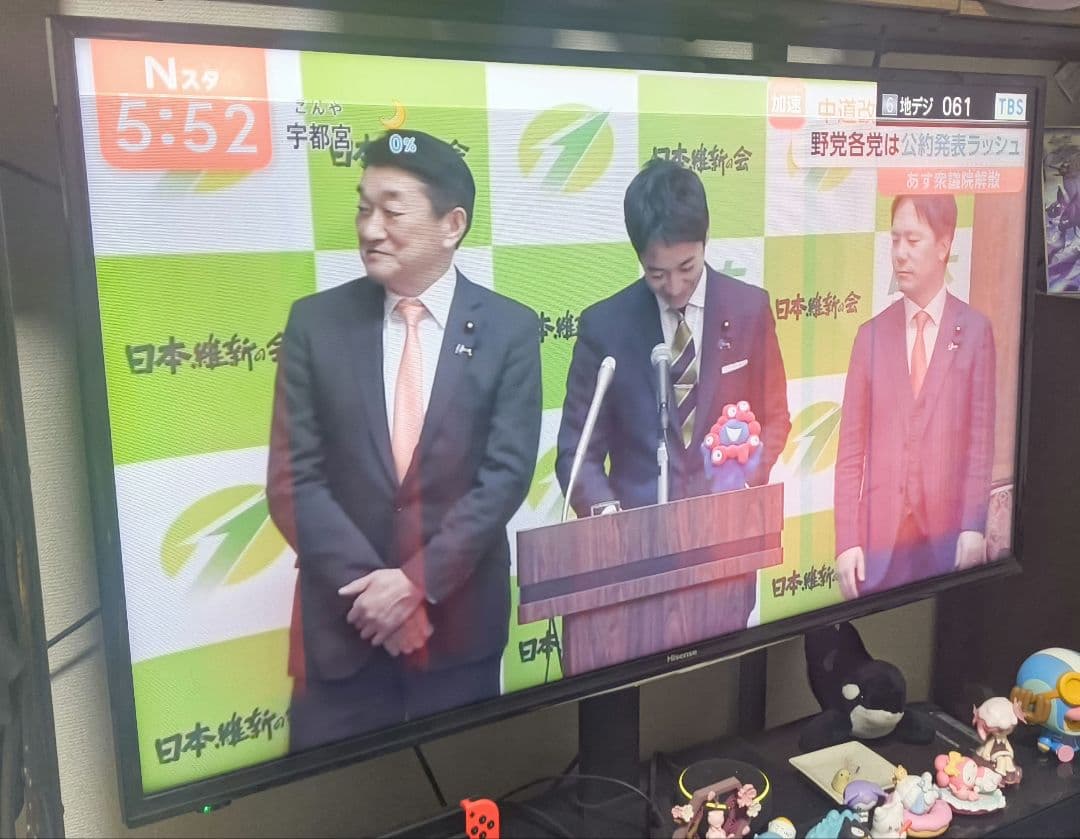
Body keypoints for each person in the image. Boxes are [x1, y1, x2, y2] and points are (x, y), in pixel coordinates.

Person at [267, 131, 542, 752]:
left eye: (392, 211)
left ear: (452, 225)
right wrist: (380, 595)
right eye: (364, 208)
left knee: (468, 791)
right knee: (325, 799)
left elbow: (503, 479)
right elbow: (292, 480)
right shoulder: (315, 323)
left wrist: (417, 582)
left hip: (459, 633)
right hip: (342, 635)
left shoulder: (510, 330)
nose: (370, 229)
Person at [555, 158, 790, 630]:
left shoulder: (750, 308)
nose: (676, 287)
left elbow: (775, 417)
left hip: (725, 555)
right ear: (639, 256)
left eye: (687, 267)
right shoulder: (605, 327)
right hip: (634, 563)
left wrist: (743, 484)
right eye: (657, 274)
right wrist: (607, 518)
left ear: (705, 241)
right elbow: (577, 453)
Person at [834, 193, 995, 600]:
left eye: (913, 240)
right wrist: (846, 541)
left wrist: (973, 526)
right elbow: (850, 450)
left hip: (946, 540)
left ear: (943, 245)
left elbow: (980, 444)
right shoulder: (871, 337)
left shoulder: (975, 332)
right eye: (894, 240)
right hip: (878, 545)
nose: (900, 253)